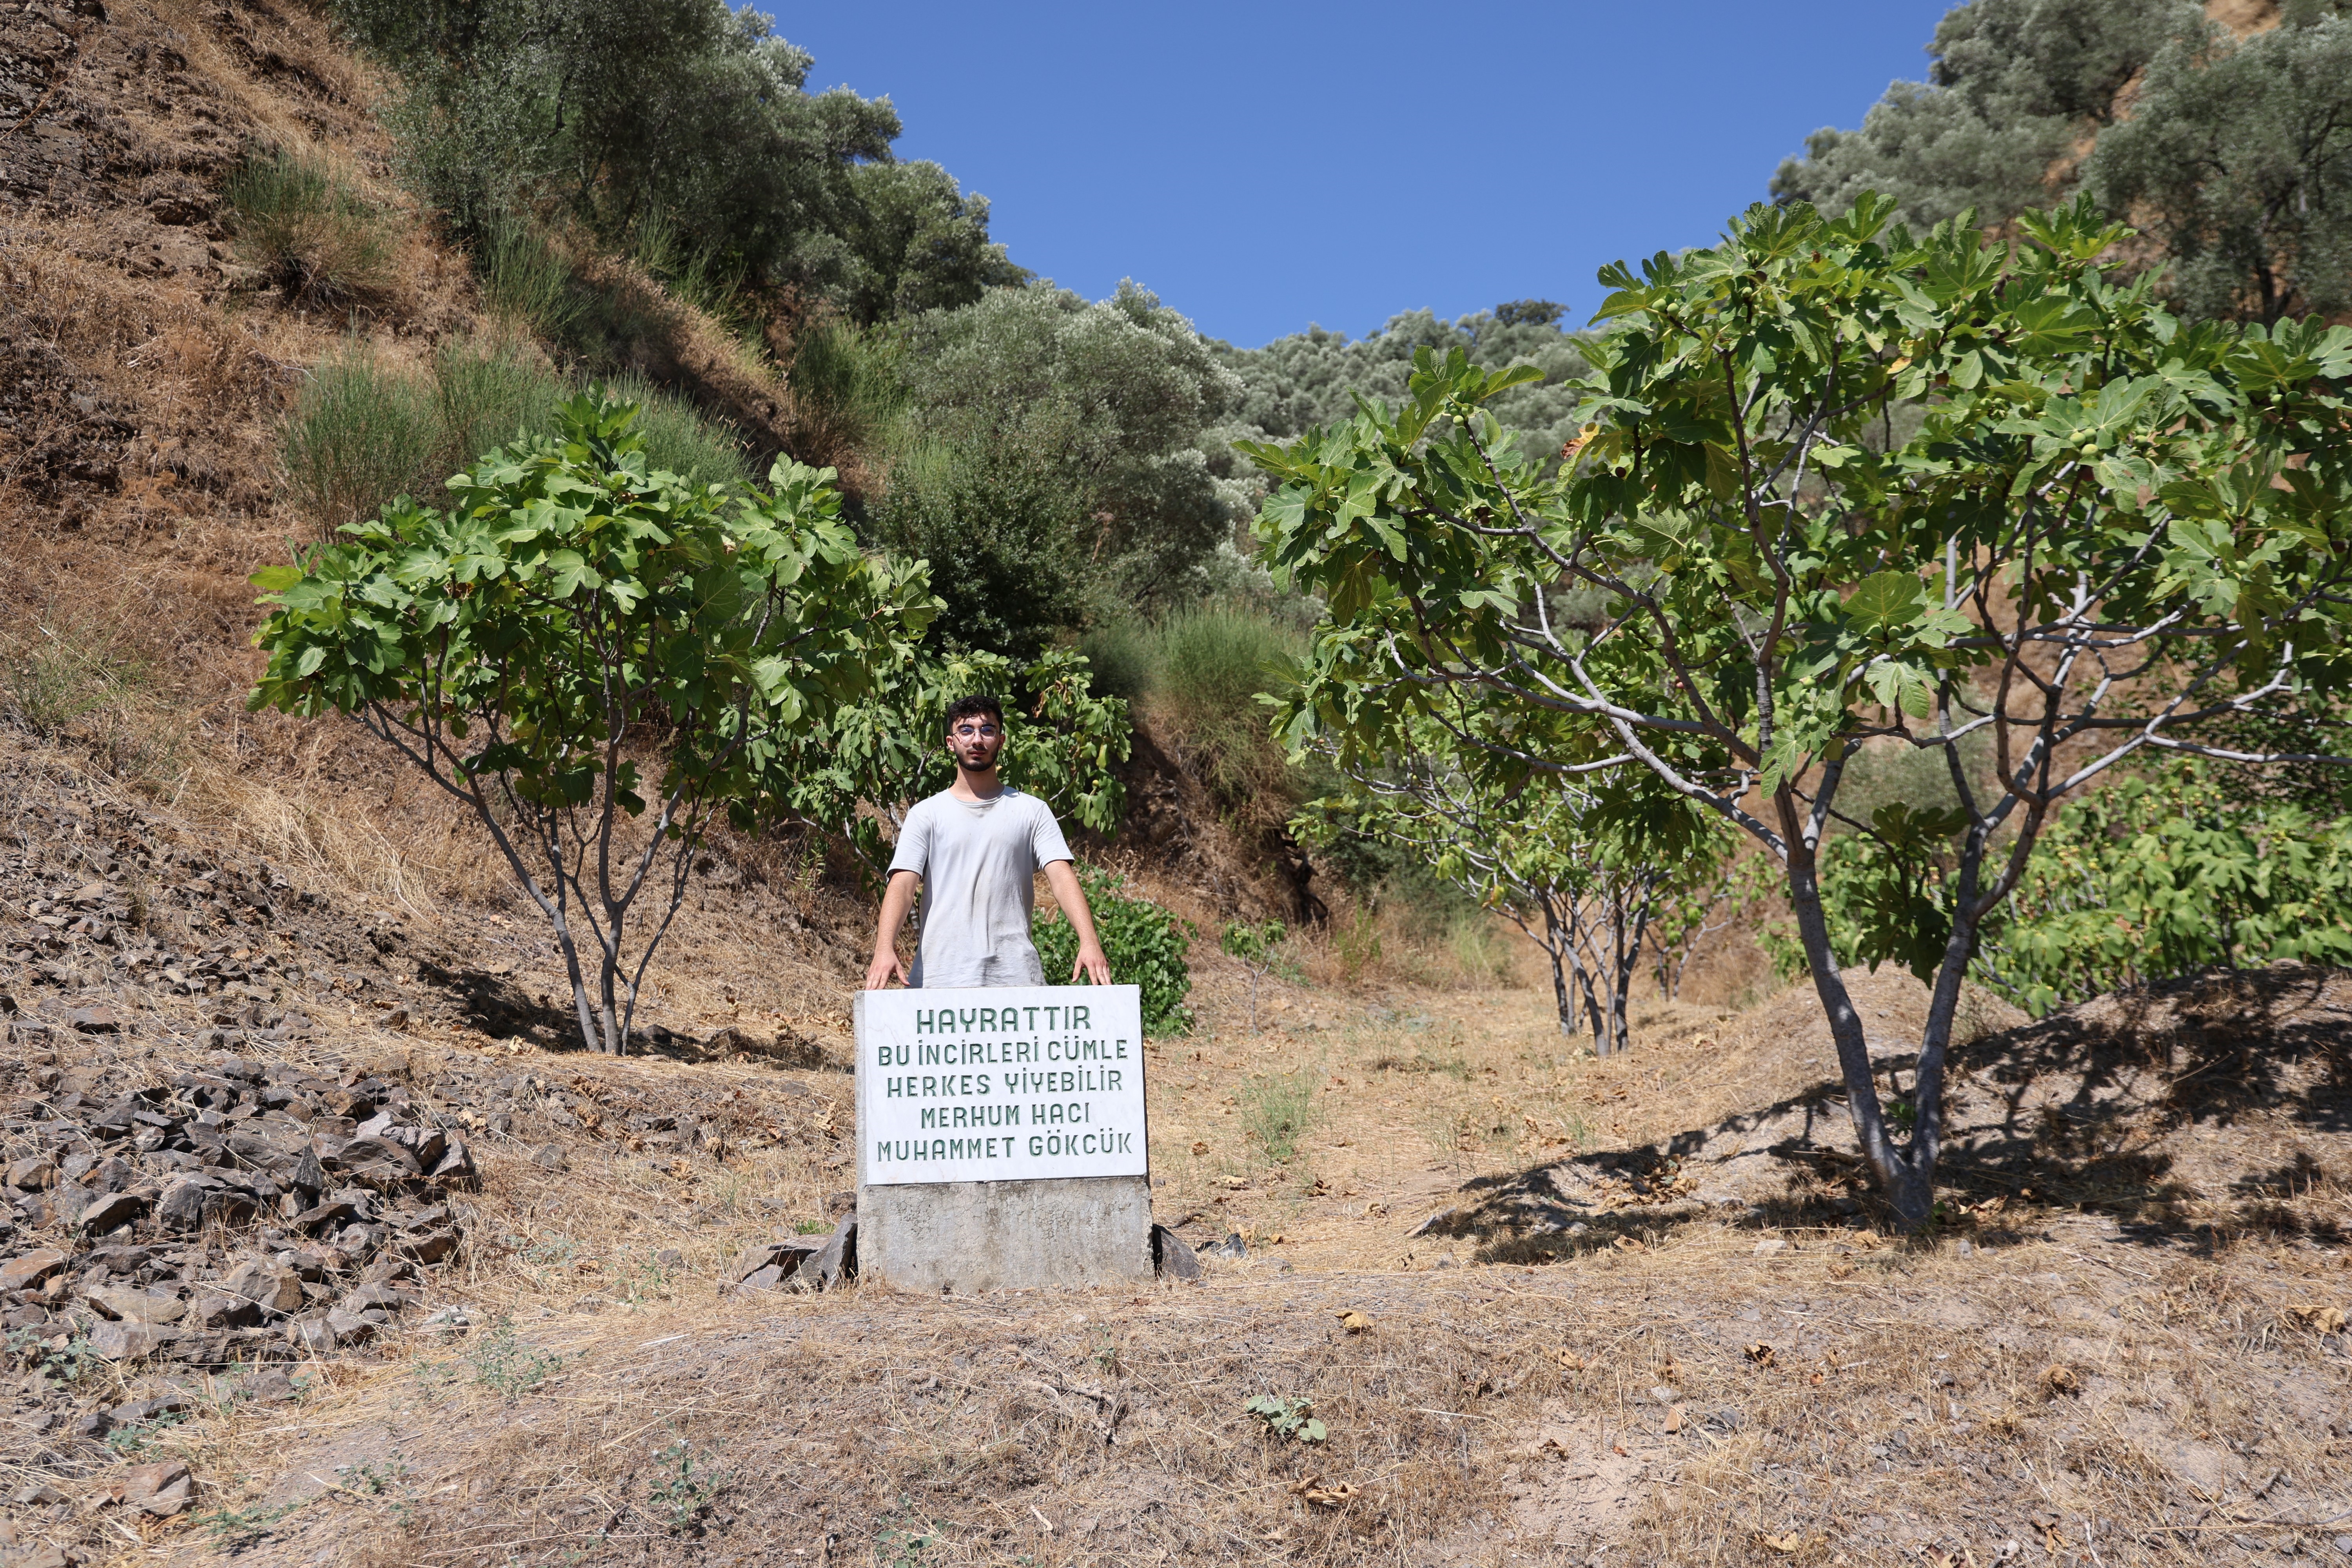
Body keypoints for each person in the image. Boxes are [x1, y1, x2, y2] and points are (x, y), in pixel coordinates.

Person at [864, 693, 1112, 990]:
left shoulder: (1031, 811)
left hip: (1016, 977)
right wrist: (883, 949)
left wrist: (1090, 942)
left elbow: (1061, 877)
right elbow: (903, 885)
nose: (977, 740)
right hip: (940, 979)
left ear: (1001, 741)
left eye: (988, 730)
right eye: (966, 730)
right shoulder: (926, 814)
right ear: (951, 742)